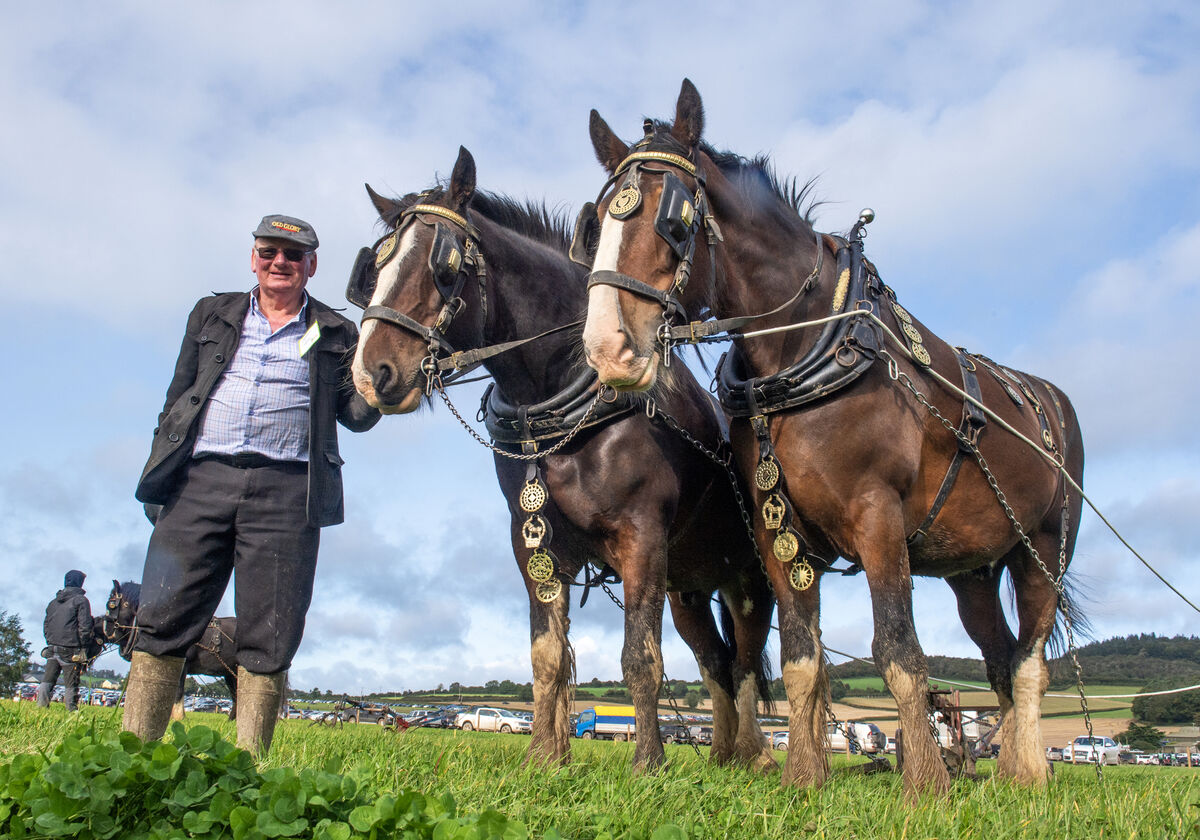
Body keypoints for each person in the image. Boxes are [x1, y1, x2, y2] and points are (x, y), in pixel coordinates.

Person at [126, 214, 380, 757]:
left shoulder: (336, 331)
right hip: (199, 480)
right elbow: (177, 399)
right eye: (269, 252)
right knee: (162, 617)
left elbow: (355, 414)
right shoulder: (211, 312)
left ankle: (250, 769)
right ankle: (133, 760)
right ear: (253, 257)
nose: (279, 262)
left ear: (311, 266)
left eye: (293, 255)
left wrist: (387, 382)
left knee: (270, 630)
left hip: (287, 491)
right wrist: (161, 480)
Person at [37, 570, 94, 711]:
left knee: (47, 681)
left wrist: (50, 641)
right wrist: (84, 646)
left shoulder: (53, 603)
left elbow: (46, 625)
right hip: (71, 648)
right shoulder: (81, 601)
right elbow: (85, 626)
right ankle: (71, 713)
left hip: (52, 647)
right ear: (80, 583)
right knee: (71, 684)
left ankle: (41, 708)